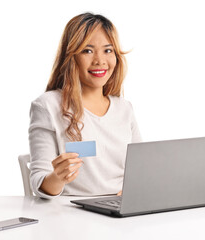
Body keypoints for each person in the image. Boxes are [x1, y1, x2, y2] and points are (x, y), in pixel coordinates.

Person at [28, 12, 142, 199]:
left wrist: (134, 189)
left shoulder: (124, 108)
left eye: (108, 50)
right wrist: (58, 177)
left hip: (121, 210)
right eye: (87, 51)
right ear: (71, 56)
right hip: (73, 213)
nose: (99, 60)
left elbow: (141, 167)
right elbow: (39, 183)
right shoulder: (47, 106)